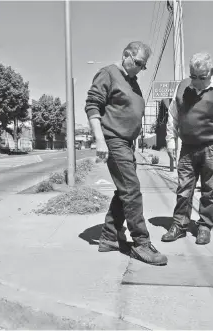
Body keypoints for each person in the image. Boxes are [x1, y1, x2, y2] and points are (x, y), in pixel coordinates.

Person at [85, 41, 168, 266]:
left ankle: (110, 236)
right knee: (132, 191)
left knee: (125, 190)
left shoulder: (132, 82)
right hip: (114, 140)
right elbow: (92, 106)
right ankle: (141, 242)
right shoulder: (108, 74)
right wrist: (99, 140)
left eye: (144, 66)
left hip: (127, 143)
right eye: (139, 63)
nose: (141, 68)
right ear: (126, 56)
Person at [162, 52, 213, 245]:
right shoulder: (182, 87)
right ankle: (179, 225)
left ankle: (204, 226)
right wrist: (171, 142)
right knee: (183, 189)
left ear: (211, 72)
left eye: (201, 77)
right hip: (187, 147)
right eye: (193, 76)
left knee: (209, 190)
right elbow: (173, 116)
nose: (196, 81)